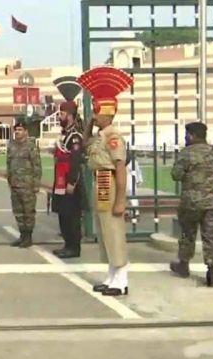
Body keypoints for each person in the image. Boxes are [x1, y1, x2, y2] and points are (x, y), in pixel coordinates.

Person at [78, 66, 133, 297]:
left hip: (108, 182)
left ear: (107, 113)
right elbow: (84, 144)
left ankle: (121, 280)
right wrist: (89, 123)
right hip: (100, 181)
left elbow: (120, 168)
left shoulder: (112, 137)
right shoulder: (100, 135)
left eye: (97, 111)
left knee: (114, 230)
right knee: (105, 231)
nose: (95, 114)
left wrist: (121, 200)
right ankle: (111, 276)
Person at [169, 122, 213, 287]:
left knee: (188, 234)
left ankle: (184, 264)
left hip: (191, 202)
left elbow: (176, 175)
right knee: (212, 235)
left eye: (187, 135)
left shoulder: (186, 154)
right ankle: (212, 269)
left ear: (192, 135)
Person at [51, 77, 86, 259]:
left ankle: (74, 247)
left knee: (71, 216)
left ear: (70, 115)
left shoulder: (75, 136)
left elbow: (75, 160)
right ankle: (67, 244)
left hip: (69, 181)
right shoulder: (65, 134)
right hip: (60, 180)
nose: (60, 117)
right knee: (63, 214)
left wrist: (72, 181)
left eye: (62, 114)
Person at [6, 121, 42, 248]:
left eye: (20, 130)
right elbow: (8, 164)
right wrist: (9, 180)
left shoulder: (31, 146)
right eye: (16, 130)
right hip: (15, 184)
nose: (17, 132)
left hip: (28, 185)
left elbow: (37, 166)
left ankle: (28, 237)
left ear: (26, 131)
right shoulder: (11, 146)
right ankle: (22, 235)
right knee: (18, 212)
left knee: (28, 212)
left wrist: (36, 184)